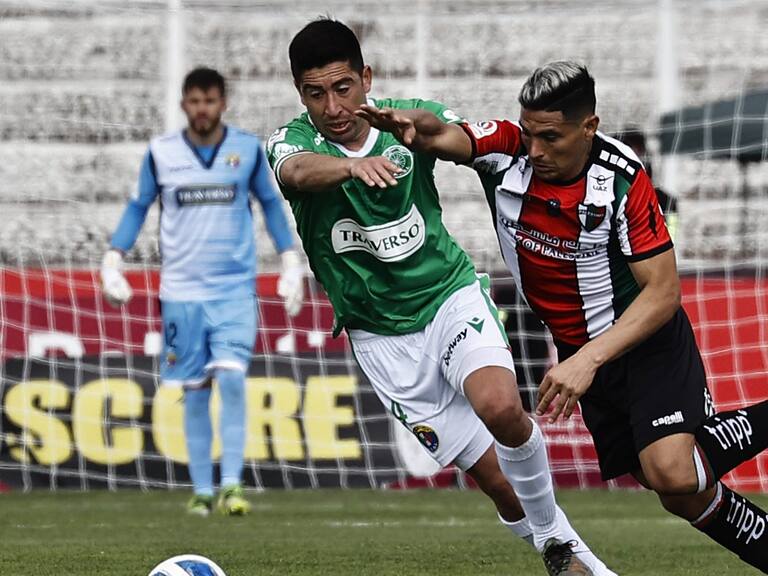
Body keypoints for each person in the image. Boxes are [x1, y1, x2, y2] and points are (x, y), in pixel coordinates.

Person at [356, 60, 768, 573]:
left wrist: (587, 360)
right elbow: (445, 132)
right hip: (583, 356)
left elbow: (663, 293)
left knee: (674, 473)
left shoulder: (621, 178)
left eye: (550, 137)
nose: (534, 149)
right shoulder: (507, 151)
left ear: (588, 127)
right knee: (679, 493)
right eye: (528, 133)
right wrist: (414, 126)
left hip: (643, 343)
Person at [266, 19, 616, 576]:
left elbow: (440, 127)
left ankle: (558, 545)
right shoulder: (292, 143)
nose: (332, 106)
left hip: (447, 297)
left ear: (366, 78)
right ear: (299, 93)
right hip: (380, 338)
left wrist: (417, 127)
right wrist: (351, 166)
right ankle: (578, 563)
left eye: (343, 88)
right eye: (315, 93)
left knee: (501, 407)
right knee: (500, 487)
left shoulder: (400, 118)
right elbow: (296, 172)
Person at [100, 67, 304, 517]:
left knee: (230, 377)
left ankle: (232, 485)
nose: (202, 109)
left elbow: (270, 204)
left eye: (210, 101)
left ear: (222, 102)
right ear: (183, 104)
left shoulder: (246, 150)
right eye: (194, 101)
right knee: (194, 388)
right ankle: (201, 491)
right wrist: (114, 256)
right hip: (181, 293)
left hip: (233, 289)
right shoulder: (161, 153)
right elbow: (138, 206)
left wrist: (290, 258)